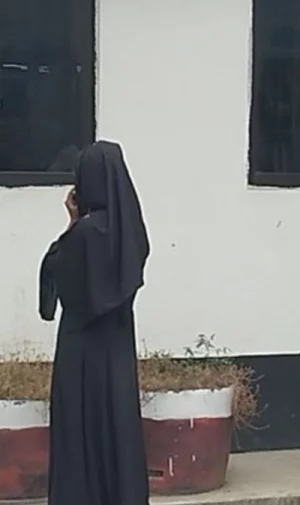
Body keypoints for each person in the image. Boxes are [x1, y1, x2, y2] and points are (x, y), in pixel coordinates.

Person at [38, 141, 151, 505]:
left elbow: (55, 274)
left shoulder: (83, 235)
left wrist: (72, 223)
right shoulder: (133, 235)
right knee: (118, 430)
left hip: (80, 350)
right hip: (117, 350)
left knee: (78, 431)